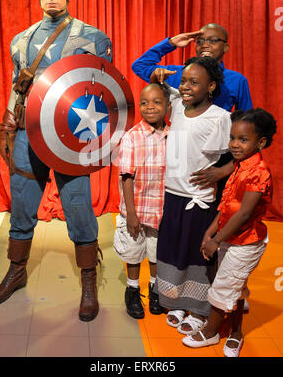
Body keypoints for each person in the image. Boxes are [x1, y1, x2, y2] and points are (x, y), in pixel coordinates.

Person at [0, 0, 113, 322]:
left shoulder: (93, 38)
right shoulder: (21, 39)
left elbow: (101, 92)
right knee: (23, 204)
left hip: (71, 140)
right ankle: (16, 270)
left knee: (78, 207)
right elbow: (19, 86)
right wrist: (9, 118)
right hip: (28, 135)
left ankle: (88, 280)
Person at [183, 108, 276, 357]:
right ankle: (235, 332)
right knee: (235, 287)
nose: (235, 144)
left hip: (246, 242)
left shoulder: (259, 173)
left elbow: (244, 214)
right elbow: (225, 206)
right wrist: (210, 232)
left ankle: (212, 332)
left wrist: (216, 240)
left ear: (261, 142)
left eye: (243, 140)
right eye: (232, 138)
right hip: (230, 239)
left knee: (225, 286)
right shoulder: (238, 166)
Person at [155, 56, 232, 335]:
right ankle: (176, 301)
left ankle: (199, 310)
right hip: (171, 193)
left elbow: (239, 156)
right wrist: (159, 77)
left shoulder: (221, 118)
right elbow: (148, 75)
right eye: (184, 80)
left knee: (197, 254)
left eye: (194, 82)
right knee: (174, 250)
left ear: (211, 87)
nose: (186, 86)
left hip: (199, 198)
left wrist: (220, 173)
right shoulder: (176, 106)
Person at [131, 23, 253, 200]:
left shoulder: (237, 80)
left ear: (226, 46)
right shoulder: (180, 73)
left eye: (213, 40)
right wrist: (171, 43)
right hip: (183, 153)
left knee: (211, 214)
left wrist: (224, 170)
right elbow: (140, 66)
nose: (205, 44)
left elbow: (248, 130)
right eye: (200, 40)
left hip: (219, 157)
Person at [114, 83, 170, 319]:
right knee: (134, 252)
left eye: (157, 102)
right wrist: (132, 213)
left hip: (162, 209)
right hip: (137, 208)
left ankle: (156, 289)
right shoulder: (132, 137)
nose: (150, 107)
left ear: (167, 105)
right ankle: (133, 289)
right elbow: (126, 176)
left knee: (157, 253)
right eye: (145, 103)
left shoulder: (174, 134)